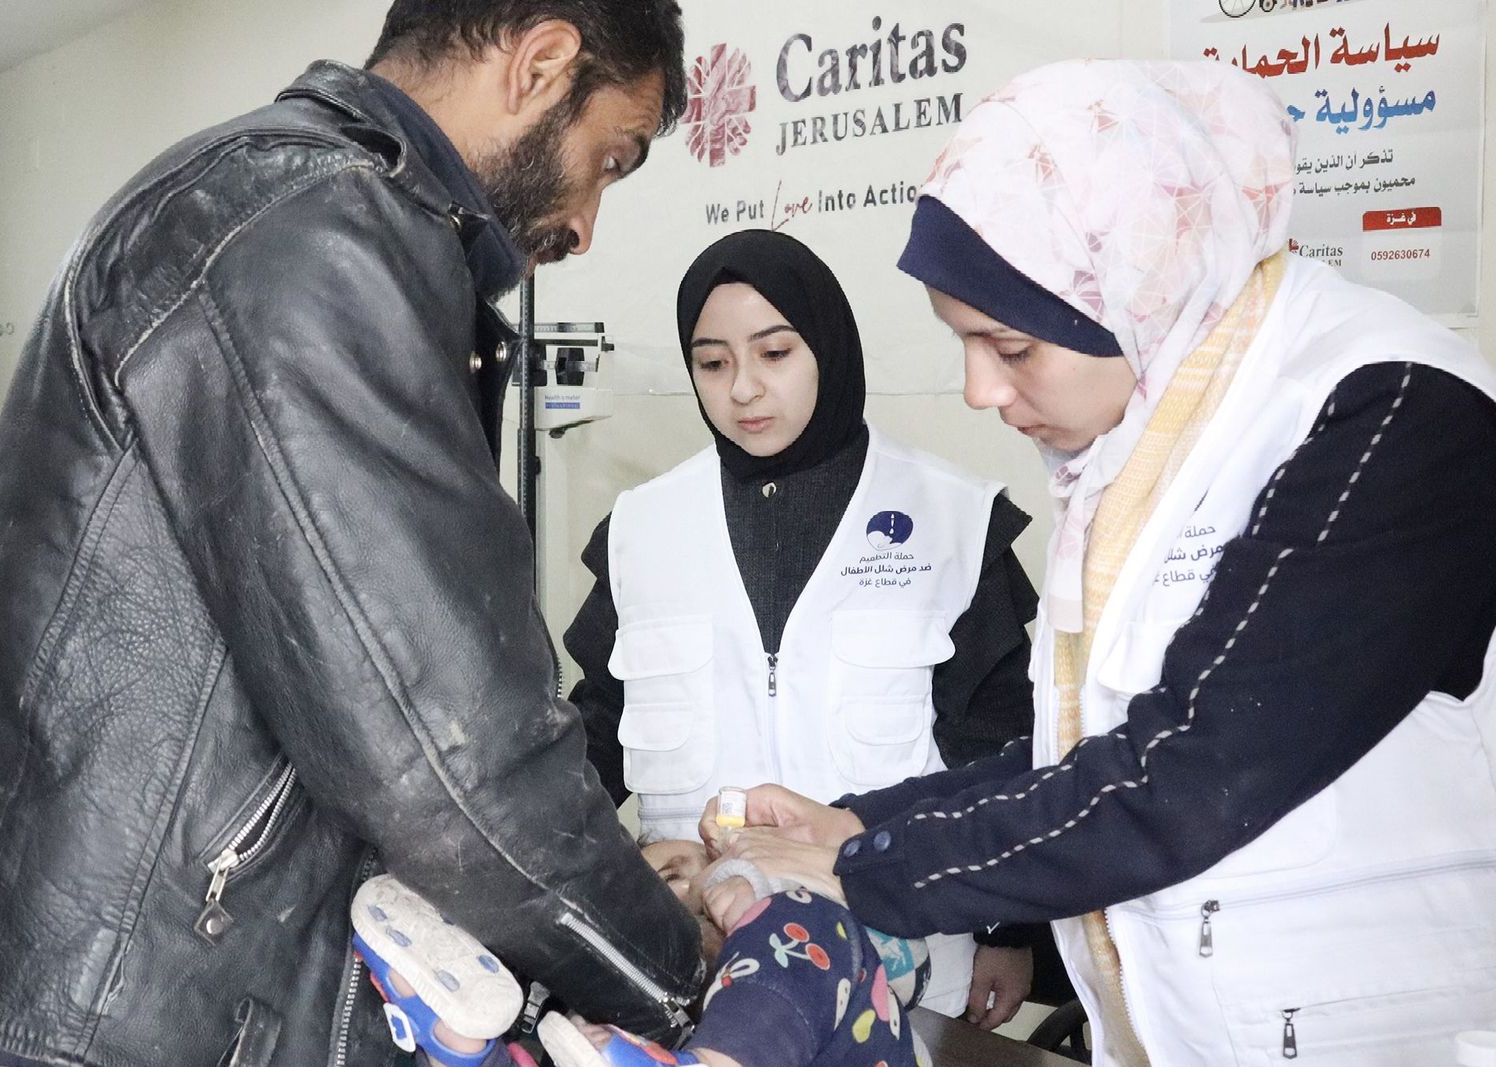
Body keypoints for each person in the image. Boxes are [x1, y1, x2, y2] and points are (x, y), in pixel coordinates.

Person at [0, 3, 707, 1065]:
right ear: (544, 64)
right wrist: (680, 975)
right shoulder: (312, 229)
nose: (587, 223)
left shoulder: (273, 209)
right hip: (97, 1017)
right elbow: (444, 747)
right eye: (610, 159)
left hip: (82, 988)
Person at [699, 59, 1496, 1067]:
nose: (978, 390)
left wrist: (859, 867)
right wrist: (860, 817)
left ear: (1133, 289)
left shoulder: (1390, 412)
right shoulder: (1153, 437)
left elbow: (1190, 770)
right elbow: (1081, 746)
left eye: (1008, 347)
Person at [562, 229, 1041, 1025]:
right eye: (713, 363)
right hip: (699, 968)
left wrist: (1011, 928)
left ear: (826, 346)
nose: (743, 389)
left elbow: (1005, 743)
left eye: (775, 353)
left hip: (901, 973)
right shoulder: (642, 528)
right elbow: (596, 736)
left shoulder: (951, 517)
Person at [347, 840, 930, 1067]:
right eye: (647, 887)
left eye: (682, 875)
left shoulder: (812, 930)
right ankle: (461, 1042)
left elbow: (902, 951)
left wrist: (754, 892)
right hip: (650, 1045)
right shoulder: (605, 1029)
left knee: (813, 919)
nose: (669, 900)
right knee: (561, 1039)